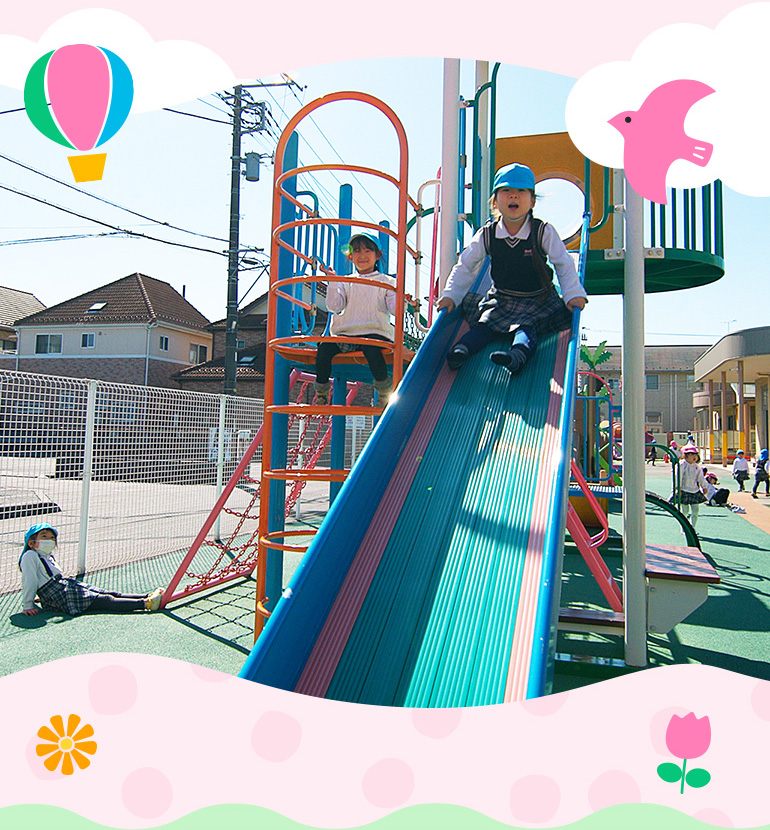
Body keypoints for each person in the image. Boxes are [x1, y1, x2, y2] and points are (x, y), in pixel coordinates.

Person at [436, 163, 587, 376]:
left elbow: (563, 263)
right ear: (495, 201)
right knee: (484, 323)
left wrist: (573, 294)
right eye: (506, 191)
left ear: (532, 201)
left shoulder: (542, 231)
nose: (513, 197)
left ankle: (517, 356)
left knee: (526, 327)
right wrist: (451, 295)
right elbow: (466, 266)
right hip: (502, 298)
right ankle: (461, 350)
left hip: (537, 299)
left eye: (521, 192)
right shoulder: (487, 234)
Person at [314, 233, 396, 406]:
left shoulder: (387, 282)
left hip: (375, 332)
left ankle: (384, 389)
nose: (363, 256)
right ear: (350, 257)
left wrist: (401, 297)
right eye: (357, 251)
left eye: (368, 251)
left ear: (377, 255)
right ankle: (321, 391)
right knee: (324, 349)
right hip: (347, 334)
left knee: (371, 349)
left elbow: (395, 309)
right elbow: (334, 307)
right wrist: (333, 282)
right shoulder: (345, 281)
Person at [19, 523, 163, 616]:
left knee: (108, 593)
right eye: (44, 536)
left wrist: (43, 596)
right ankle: (147, 604)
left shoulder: (45, 555)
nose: (49, 541)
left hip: (61, 588)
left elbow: (43, 578)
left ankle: (147, 596)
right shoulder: (30, 556)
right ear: (31, 543)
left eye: (52, 538)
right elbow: (30, 580)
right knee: (105, 600)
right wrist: (28, 604)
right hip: (60, 593)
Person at [678, 447, 708, 527]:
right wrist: (678, 488)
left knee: (695, 511)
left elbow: (700, 478)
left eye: (695, 455)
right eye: (691, 455)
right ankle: (684, 527)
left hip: (694, 490)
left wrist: (704, 487)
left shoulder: (697, 467)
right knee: (685, 511)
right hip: (684, 490)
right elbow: (678, 476)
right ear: (686, 456)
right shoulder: (682, 464)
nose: (694, 457)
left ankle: (692, 528)